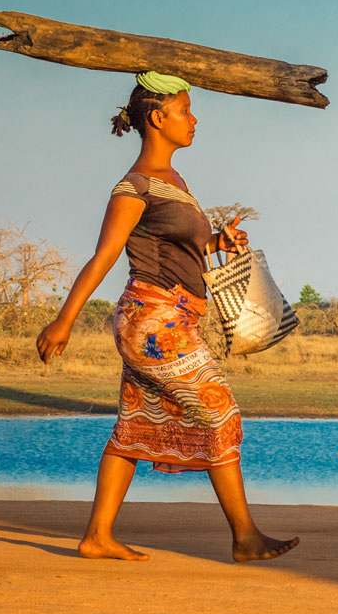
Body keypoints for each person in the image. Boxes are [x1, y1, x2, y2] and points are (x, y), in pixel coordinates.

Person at [36, 71, 299, 564]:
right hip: (154, 320)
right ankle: (245, 536)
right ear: (158, 118)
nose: (193, 119)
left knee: (135, 424)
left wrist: (218, 242)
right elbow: (105, 255)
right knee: (220, 413)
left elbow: (180, 247)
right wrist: (64, 319)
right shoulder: (133, 187)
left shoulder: (174, 182)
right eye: (185, 110)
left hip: (172, 318)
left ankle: (98, 536)